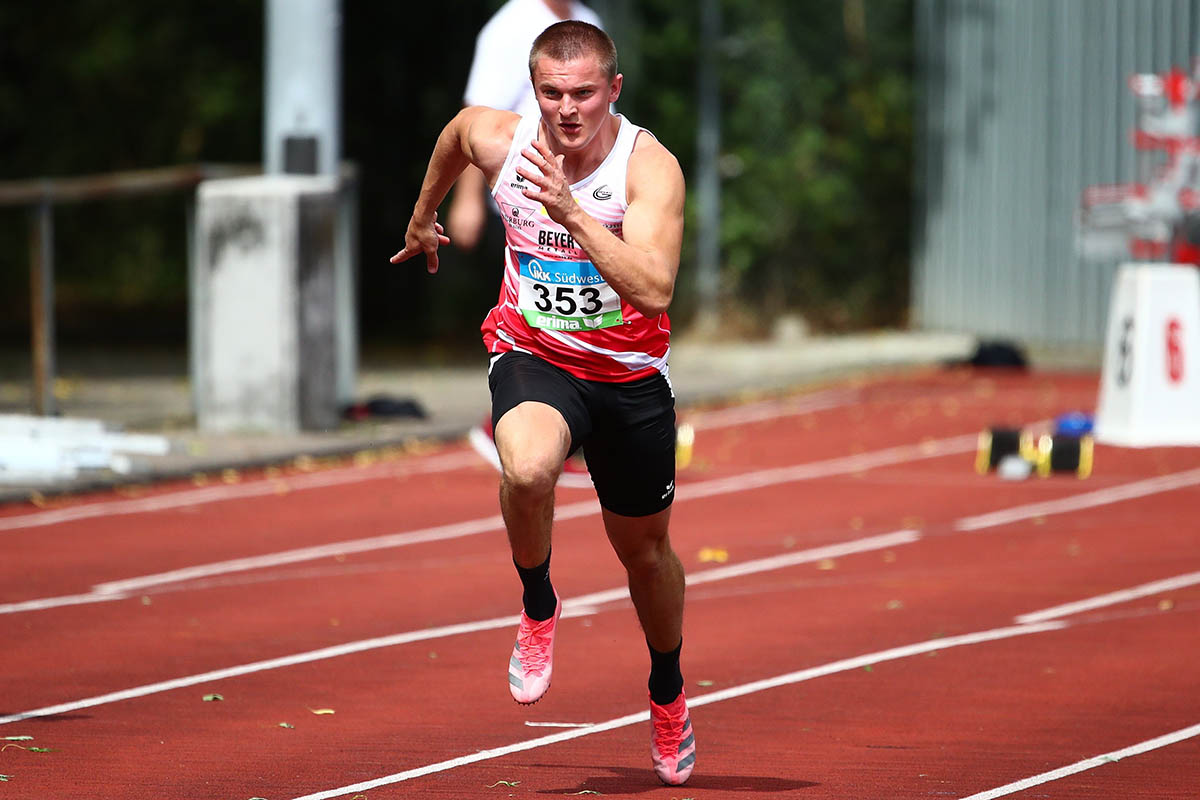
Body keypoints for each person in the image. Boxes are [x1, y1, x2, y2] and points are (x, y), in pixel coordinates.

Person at [390, 21, 695, 786]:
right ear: (535, 93)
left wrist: (575, 214)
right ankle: (537, 604)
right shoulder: (506, 139)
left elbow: (655, 289)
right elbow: (459, 131)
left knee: (645, 556)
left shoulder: (648, 168)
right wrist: (424, 214)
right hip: (534, 354)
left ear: (613, 91)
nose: (568, 109)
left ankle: (667, 690)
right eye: (553, 93)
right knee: (526, 472)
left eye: (584, 93)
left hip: (628, 377)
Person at [447, 0, 604, 252]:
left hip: (585, 205)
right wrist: (467, 198)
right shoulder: (509, 26)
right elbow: (477, 117)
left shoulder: (589, 21)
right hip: (523, 205)